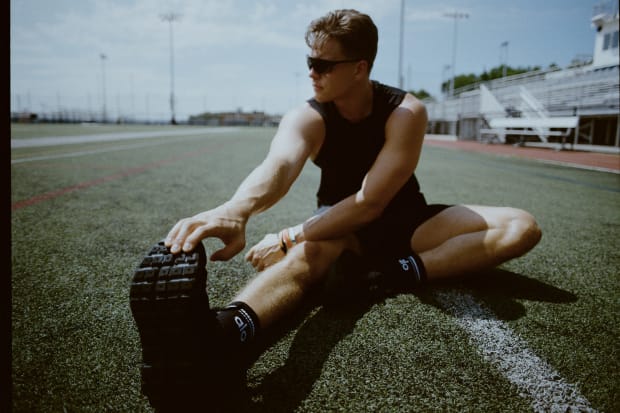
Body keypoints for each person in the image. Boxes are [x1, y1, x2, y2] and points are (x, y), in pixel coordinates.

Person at [132, 9, 542, 410]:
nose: (312, 72)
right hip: (339, 226)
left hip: (405, 223)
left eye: (323, 64)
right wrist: (237, 209)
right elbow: (278, 166)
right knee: (306, 259)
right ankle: (222, 334)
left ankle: (389, 275)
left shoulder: (405, 112)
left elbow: (371, 202)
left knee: (521, 227)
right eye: (309, 62)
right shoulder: (309, 116)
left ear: (360, 67)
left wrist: (290, 234)